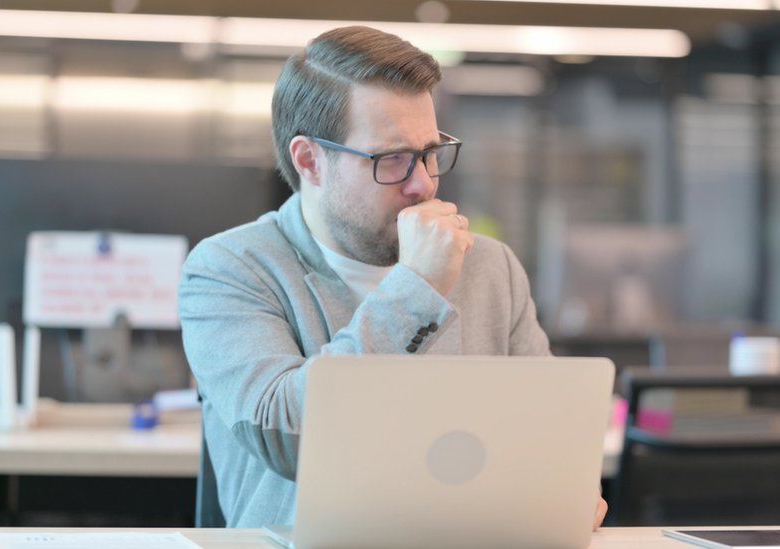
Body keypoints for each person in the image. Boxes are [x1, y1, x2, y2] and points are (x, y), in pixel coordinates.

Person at [179, 25, 607, 530]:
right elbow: (289, 437)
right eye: (393, 160)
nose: (423, 182)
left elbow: (547, 433)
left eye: (430, 151)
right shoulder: (230, 269)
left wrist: (563, 483)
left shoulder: (492, 268)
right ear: (310, 160)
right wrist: (418, 286)